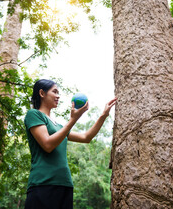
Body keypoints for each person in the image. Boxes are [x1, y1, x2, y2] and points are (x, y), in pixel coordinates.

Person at [24, 79, 117, 209]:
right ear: (42, 93)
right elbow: (47, 145)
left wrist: (103, 115)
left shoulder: (59, 127)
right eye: (54, 92)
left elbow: (86, 137)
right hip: (42, 183)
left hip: (65, 184)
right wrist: (73, 120)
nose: (58, 96)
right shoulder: (33, 114)